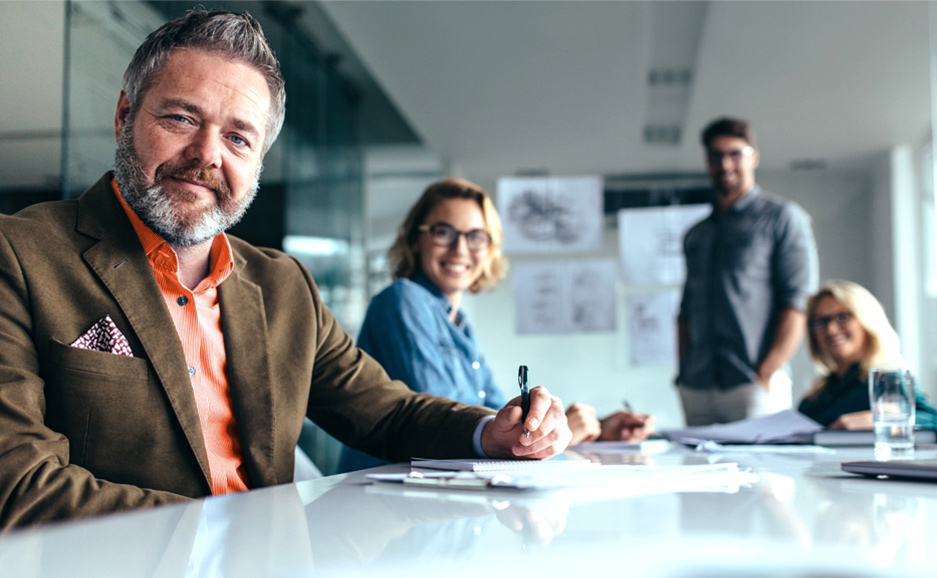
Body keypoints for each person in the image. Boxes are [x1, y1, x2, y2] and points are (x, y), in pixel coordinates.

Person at [0, 10, 571, 529]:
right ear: (126, 114)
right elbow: (17, 485)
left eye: (237, 137)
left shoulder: (284, 286)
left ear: (258, 162)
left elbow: (387, 413)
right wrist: (237, 534)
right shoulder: (21, 256)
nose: (207, 154)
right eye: (180, 117)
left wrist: (489, 432)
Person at [338, 178, 654, 472]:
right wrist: (547, 434)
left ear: (489, 249)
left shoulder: (459, 324)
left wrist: (585, 429)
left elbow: (495, 419)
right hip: (384, 501)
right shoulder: (403, 300)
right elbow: (445, 426)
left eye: (475, 236)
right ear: (416, 240)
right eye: (443, 232)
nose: (460, 249)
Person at [677, 117, 819, 426]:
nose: (725, 163)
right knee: (698, 473)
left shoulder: (783, 218)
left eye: (735, 153)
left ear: (753, 157)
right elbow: (686, 309)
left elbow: (798, 301)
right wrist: (682, 373)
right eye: (716, 155)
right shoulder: (696, 234)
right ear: (707, 162)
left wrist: (767, 371)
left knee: (763, 475)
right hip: (696, 386)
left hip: (752, 383)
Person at [797, 280, 937, 438]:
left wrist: (881, 418)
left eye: (842, 317)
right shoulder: (817, 393)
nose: (831, 329)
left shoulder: (886, 380)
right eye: (821, 321)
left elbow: (936, 423)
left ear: (867, 319)